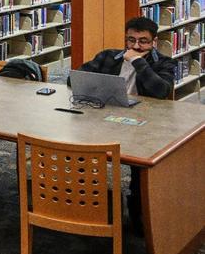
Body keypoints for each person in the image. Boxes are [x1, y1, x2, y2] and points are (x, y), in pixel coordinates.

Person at [74, 15, 176, 234]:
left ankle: (139, 216)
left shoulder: (163, 63)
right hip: (104, 120)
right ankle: (87, 205)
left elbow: (161, 91)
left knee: (140, 166)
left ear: (154, 42)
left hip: (145, 126)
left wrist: (138, 62)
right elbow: (75, 78)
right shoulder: (108, 57)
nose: (136, 46)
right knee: (79, 147)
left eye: (143, 41)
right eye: (131, 40)